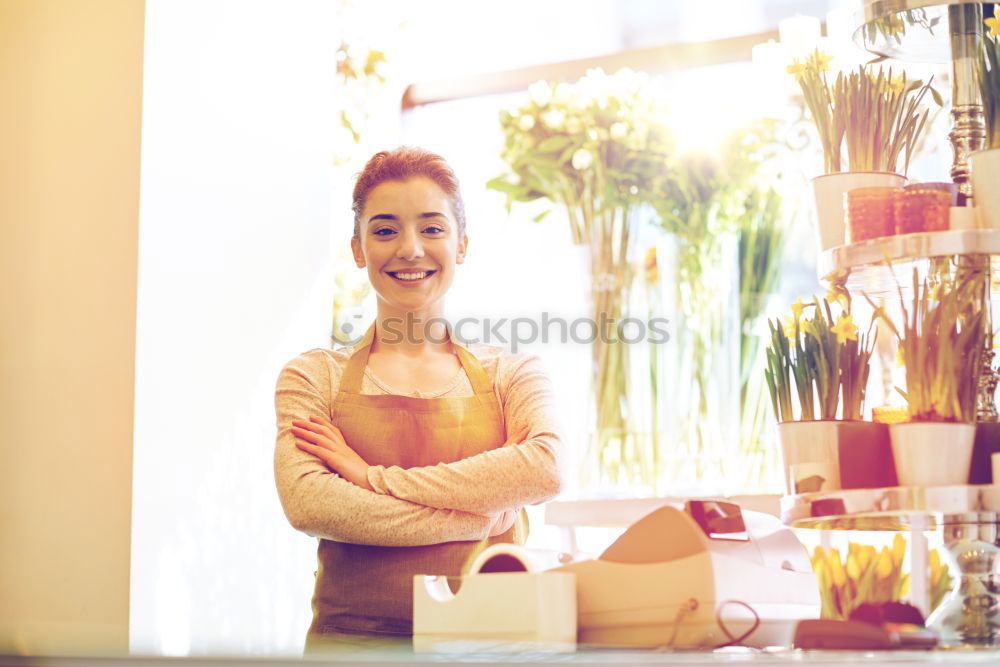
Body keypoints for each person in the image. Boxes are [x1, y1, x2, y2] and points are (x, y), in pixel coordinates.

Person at [273, 146, 566, 653]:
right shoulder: (312, 376)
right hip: (351, 650)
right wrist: (479, 517)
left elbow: (544, 469)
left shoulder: (513, 374)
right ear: (359, 249)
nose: (410, 248)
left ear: (462, 244)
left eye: (432, 228)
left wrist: (369, 478)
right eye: (385, 230)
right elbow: (311, 505)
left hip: (493, 648)